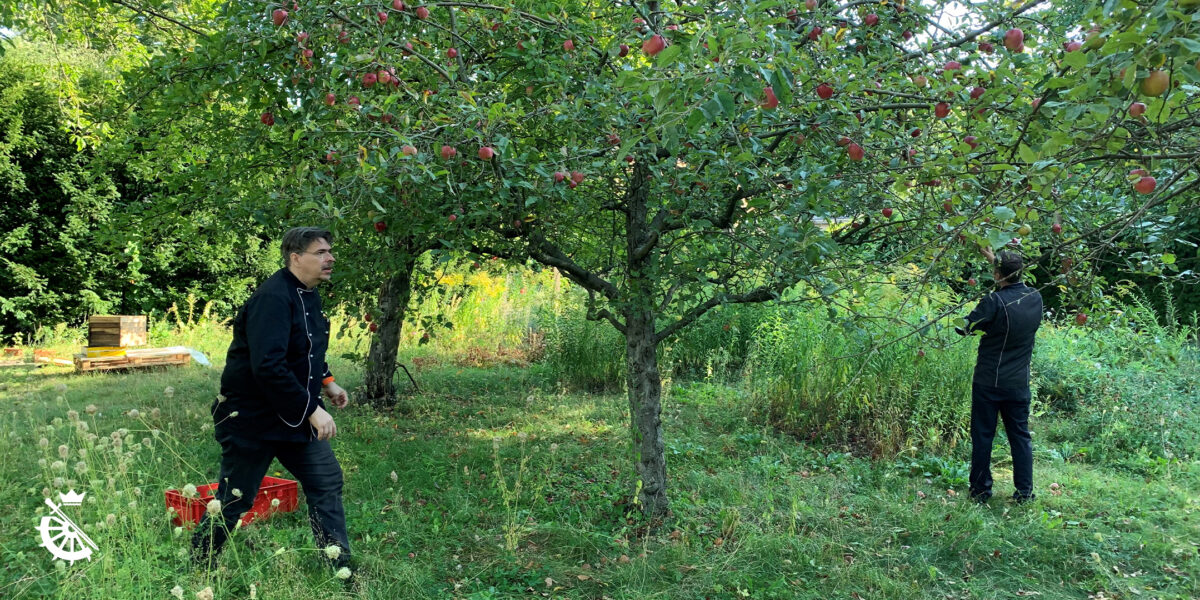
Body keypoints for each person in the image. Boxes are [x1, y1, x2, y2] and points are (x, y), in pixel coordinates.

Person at [192, 227, 352, 570]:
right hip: (252, 418)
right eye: (321, 252)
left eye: (329, 251)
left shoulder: (308, 294)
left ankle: (339, 567)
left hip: (294, 416)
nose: (330, 258)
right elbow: (268, 366)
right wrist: (312, 409)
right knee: (236, 499)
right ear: (296, 257)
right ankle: (198, 563)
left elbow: (306, 350)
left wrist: (327, 382)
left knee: (326, 482)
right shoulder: (273, 298)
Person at [956, 247, 1043, 504]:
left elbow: (966, 328)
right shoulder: (1035, 297)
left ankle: (981, 491)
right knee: (1020, 436)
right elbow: (1010, 279)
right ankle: (1024, 493)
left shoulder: (994, 302)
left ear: (997, 275)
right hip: (1018, 382)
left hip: (989, 381)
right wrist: (996, 261)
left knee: (983, 435)